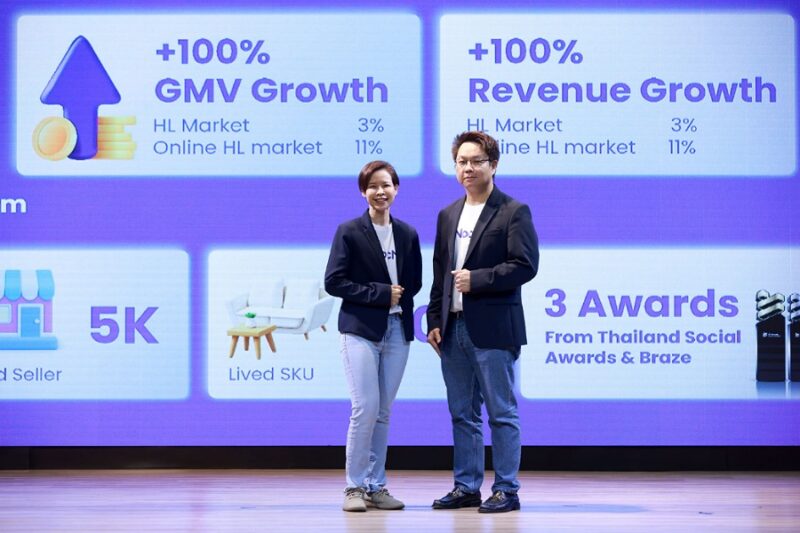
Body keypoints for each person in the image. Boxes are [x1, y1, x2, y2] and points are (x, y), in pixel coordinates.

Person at [427, 131, 539, 513]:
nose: (468, 168)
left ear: (494, 165)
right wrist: (434, 318)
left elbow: (525, 265)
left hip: (493, 328)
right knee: (462, 413)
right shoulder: (448, 214)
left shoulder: (513, 211)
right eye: (462, 161)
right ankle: (466, 486)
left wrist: (478, 279)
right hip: (452, 328)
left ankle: (506, 489)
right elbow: (440, 273)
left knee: (501, 413)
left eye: (477, 161)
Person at [324, 160, 423, 513]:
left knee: (382, 411)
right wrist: (380, 294)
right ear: (363, 192)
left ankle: (376, 486)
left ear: (396, 189)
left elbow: (415, 282)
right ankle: (354, 487)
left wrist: (396, 297)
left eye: (387, 185)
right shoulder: (349, 231)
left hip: (397, 330)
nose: (380, 192)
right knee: (365, 407)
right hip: (360, 330)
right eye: (373, 186)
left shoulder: (408, 233)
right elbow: (334, 282)